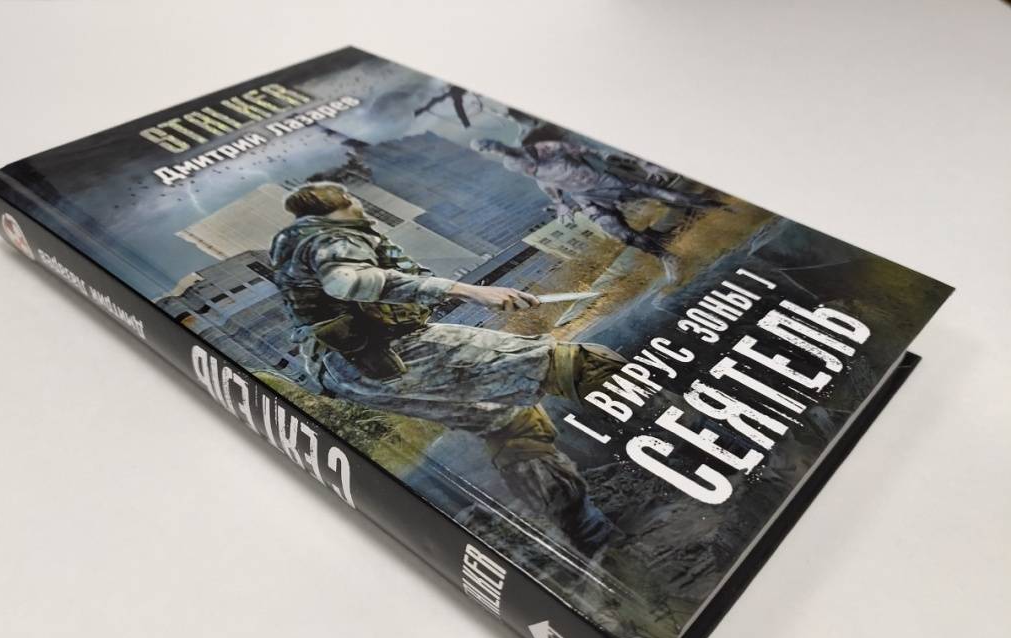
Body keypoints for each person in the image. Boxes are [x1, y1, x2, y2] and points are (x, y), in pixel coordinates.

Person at [269, 181, 625, 554]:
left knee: (511, 422)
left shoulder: (298, 244)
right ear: (346, 202)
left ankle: (593, 538)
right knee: (582, 363)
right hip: (390, 351)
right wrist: (471, 291)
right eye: (353, 199)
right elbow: (348, 282)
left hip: (356, 372)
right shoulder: (331, 236)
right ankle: (662, 428)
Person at [471, 138, 724, 283]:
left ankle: (719, 206)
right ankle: (667, 257)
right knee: (618, 232)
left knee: (667, 195)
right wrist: (559, 203)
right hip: (587, 198)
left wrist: (645, 164)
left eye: (489, 145)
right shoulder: (520, 167)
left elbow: (596, 151)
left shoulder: (546, 148)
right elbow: (546, 181)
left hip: (603, 181)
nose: (490, 149)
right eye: (485, 149)